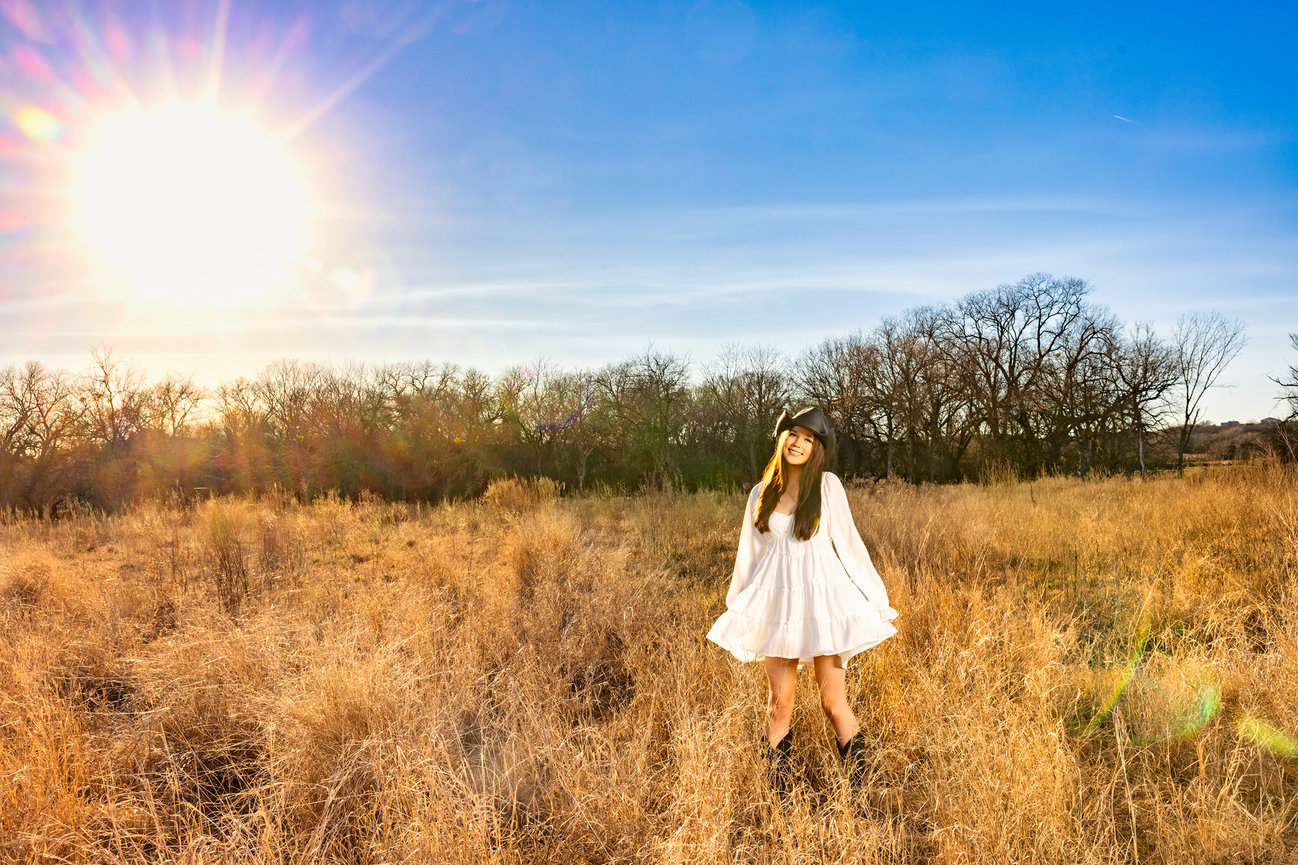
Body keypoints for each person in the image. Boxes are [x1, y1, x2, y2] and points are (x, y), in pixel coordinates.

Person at [706, 407, 898, 785]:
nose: (799, 443)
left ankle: (861, 794)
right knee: (780, 705)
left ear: (816, 449)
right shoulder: (761, 493)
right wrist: (740, 611)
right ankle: (778, 802)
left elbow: (851, 545)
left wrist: (876, 599)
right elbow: (750, 554)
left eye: (809, 439)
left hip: (824, 606)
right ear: (782, 438)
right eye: (793, 435)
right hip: (779, 608)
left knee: (832, 703)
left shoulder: (827, 486)